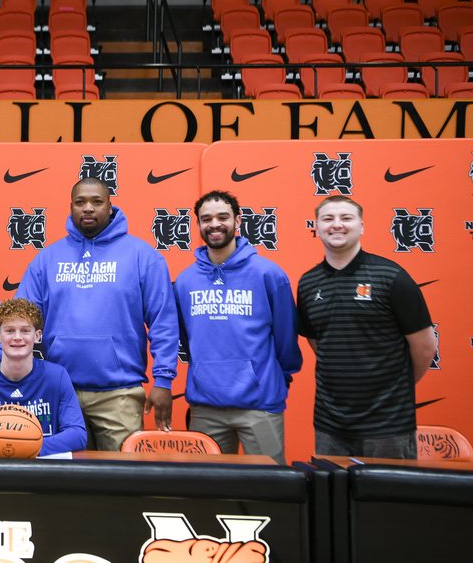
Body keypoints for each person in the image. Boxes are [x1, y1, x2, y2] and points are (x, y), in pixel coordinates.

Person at [15, 177, 179, 451]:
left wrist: (163, 380)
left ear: (110, 206)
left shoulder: (142, 256)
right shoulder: (48, 258)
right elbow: (21, 316)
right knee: (67, 483)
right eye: (80, 202)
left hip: (119, 394)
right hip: (60, 391)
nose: (88, 208)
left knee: (121, 483)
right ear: (70, 207)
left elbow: (164, 321)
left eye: (96, 202)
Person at [297, 196, 436, 459]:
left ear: (361, 226)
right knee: (334, 500)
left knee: (388, 499)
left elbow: (425, 347)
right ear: (316, 227)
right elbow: (319, 344)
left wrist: (393, 388)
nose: (336, 225)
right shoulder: (307, 283)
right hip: (330, 425)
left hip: (388, 425)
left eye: (346, 218)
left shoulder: (392, 276)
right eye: (328, 219)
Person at [173, 190, 302, 464]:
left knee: (270, 487)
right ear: (197, 225)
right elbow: (186, 338)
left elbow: (286, 337)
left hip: (260, 405)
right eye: (206, 218)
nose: (214, 224)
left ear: (238, 220)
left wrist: (279, 378)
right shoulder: (185, 281)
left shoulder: (268, 274)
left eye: (223, 217)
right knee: (210, 490)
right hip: (205, 407)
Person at [0, 298, 87, 455]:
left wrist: (28, 448)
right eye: (10, 330)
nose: (17, 337)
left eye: (25, 330)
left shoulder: (57, 376)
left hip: (42, 471)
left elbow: (77, 434)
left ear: (37, 336)